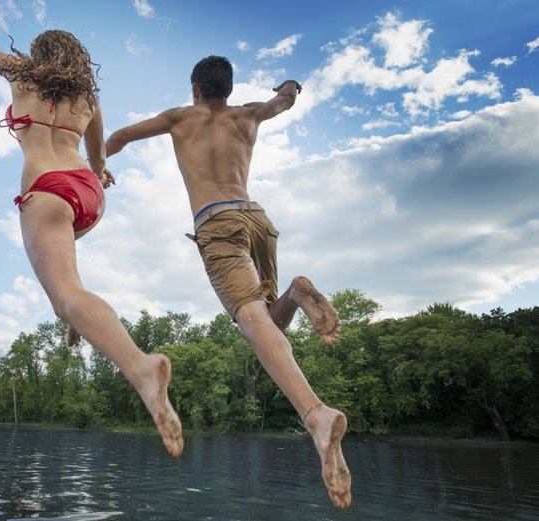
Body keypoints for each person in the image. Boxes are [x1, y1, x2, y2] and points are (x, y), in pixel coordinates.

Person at [104, 56, 352, 508]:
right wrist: (291, 84)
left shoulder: (180, 117)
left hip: (217, 224)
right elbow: (285, 100)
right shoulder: (248, 114)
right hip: (258, 220)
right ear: (228, 89)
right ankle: (296, 294)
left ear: (196, 89)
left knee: (251, 322)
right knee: (271, 328)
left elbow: (120, 137)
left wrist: (96, 164)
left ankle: (315, 415)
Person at [0, 29, 183, 458]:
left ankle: (141, 366)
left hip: (47, 189)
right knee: (64, 281)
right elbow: (99, 158)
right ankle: (74, 315)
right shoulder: (87, 98)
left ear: (38, 53)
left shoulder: (22, 75)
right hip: (89, 194)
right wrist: (100, 174)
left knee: (64, 292)